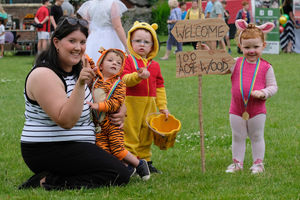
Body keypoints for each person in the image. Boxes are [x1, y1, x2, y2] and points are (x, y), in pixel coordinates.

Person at [18, 16, 130, 190]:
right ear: (56, 42)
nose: (78, 48)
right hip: (48, 148)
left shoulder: (78, 68)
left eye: (83, 42)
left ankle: (59, 173)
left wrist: (122, 109)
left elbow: (106, 90)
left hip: (78, 146)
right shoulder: (43, 75)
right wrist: (80, 85)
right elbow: (66, 121)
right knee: (118, 174)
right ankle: (46, 181)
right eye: (72, 41)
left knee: (124, 167)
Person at [86, 48, 151, 181]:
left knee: (117, 149)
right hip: (99, 125)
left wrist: (98, 106)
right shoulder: (95, 81)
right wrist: (87, 59)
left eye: (118, 62)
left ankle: (139, 164)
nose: (114, 63)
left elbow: (116, 103)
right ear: (101, 65)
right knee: (103, 151)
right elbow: (90, 65)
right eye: (110, 60)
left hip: (113, 124)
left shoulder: (120, 85)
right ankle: (124, 168)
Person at [225, 19, 278, 174]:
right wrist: (208, 52)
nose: (251, 50)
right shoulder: (236, 62)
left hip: (257, 109)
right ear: (240, 46)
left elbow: (273, 86)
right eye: (247, 47)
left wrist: (264, 93)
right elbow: (219, 67)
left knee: (256, 136)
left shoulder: (266, 67)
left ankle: (258, 163)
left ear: (263, 46)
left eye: (256, 46)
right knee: (237, 136)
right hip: (236, 108)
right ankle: (237, 163)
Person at [121, 21, 170, 174]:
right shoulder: (128, 60)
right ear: (131, 42)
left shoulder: (154, 65)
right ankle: (129, 162)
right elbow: (124, 80)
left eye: (146, 42)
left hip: (149, 105)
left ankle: (146, 161)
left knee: (146, 133)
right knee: (130, 133)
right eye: (137, 41)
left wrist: (162, 107)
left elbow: (160, 87)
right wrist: (138, 76)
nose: (142, 45)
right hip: (131, 104)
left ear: (153, 46)